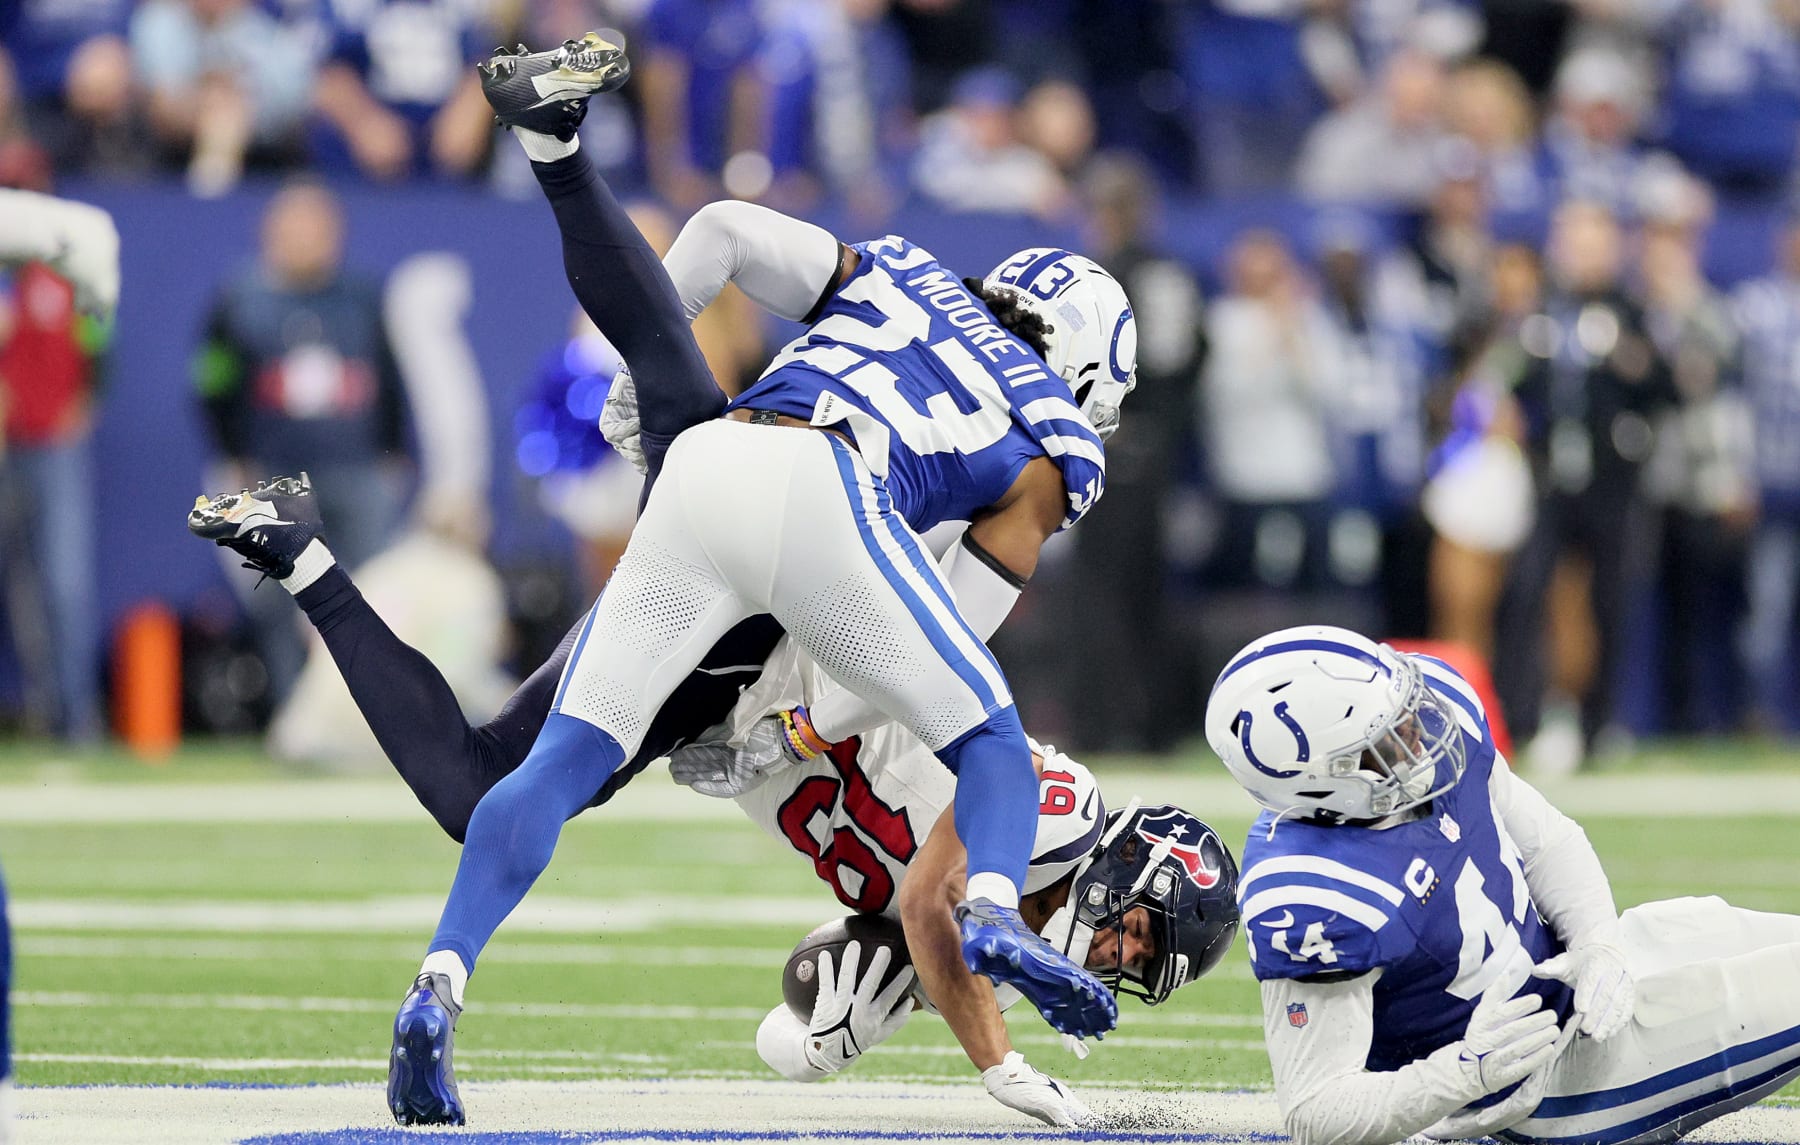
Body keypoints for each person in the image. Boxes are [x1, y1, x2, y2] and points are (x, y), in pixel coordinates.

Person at [201, 30, 1137, 1124]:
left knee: (546, 768)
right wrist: (803, 735)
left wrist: (637, 410)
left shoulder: (909, 271)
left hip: (707, 467)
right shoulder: (1056, 441)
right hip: (822, 502)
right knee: (987, 733)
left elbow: (728, 229)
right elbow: (945, 655)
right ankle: (995, 919)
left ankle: (440, 981)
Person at [185, 481, 1239, 1128]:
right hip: (747, 653)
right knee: (689, 429)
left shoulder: (979, 936)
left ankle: (305, 560)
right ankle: (565, 166)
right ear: (1125, 867)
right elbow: (930, 895)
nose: (1118, 959)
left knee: (472, 788)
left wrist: (860, 1004)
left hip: (716, 717)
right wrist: (1001, 1066)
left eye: (1141, 967)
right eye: (1140, 935)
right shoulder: (1059, 809)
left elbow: (806, 1011)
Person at [1206, 624, 1800, 1145]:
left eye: (1406, 711)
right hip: (1551, 1087)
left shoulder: (1434, 720)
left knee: (1705, 928)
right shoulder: (1315, 895)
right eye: (1388, 740)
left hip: (1581, 983)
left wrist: (1598, 943)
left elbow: (1548, 841)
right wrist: (1462, 1073)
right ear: (1318, 786)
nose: (1419, 735)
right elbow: (1316, 1112)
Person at [191, 180, 410, 705]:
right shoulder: (238, 299)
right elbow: (212, 383)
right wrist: (233, 453)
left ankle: (369, 713)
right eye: (296, 226)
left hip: (355, 467)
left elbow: (389, 376)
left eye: (318, 227)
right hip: (274, 470)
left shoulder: (362, 295)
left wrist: (392, 451)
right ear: (270, 232)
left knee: (373, 590)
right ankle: (292, 711)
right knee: (277, 597)